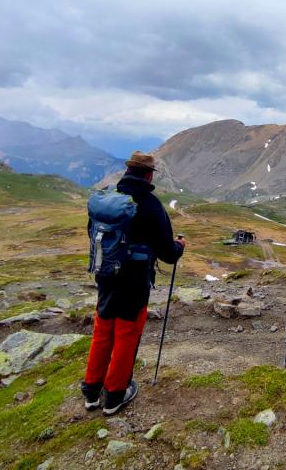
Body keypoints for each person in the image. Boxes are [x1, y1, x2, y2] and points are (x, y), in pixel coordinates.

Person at [81, 151, 185, 415]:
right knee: (127, 334)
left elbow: (91, 232)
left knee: (103, 329)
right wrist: (179, 247)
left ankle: (91, 391)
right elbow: (168, 254)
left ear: (128, 170)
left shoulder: (108, 200)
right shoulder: (151, 205)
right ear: (149, 175)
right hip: (135, 279)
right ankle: (115, 395)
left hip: (106, 274)